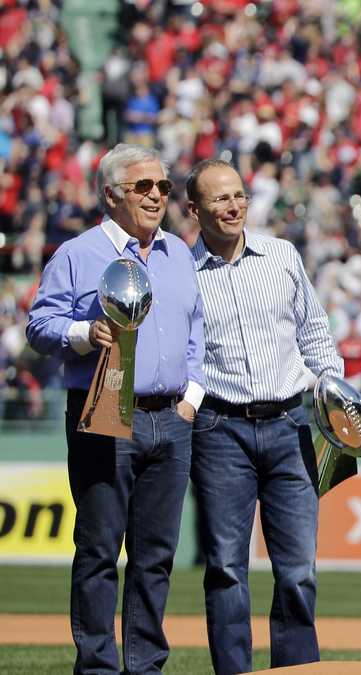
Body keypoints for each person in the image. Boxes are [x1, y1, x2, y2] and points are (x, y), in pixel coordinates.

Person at [26, 143, 206, 674]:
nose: (157, 196)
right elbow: (39, 327)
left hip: (171, 418)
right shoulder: (78, 254)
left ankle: (145, 665)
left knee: (156, 557)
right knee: (100, 550)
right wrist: (85, 333)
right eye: (144, 186)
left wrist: (191, 400)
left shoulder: (178, 253)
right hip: (103, 409)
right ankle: (99, 666)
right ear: (112, 194)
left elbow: (197, 334)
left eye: (164, 187)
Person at [185, 158, 347, 674]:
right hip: (218, 429)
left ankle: (295, 671)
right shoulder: (180, 273)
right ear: (194, 210)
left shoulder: (281, 255)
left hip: (291, 424)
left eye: (239, 196)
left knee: (298, 569)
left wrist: (336, 395)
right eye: (219, 199)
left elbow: (314, 333)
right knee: (227, 569)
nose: (233, 207)